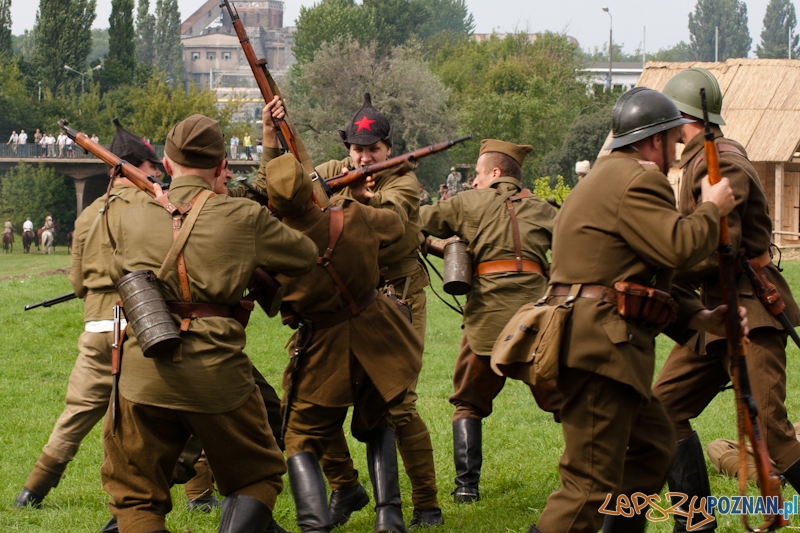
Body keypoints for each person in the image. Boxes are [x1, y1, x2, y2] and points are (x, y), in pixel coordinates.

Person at [527, 87, 737, 533]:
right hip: (599, 352)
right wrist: (712, 208)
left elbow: (635, 273)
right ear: (654, 140)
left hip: (594, 345)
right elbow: (678, 246)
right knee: (587, 486)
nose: (676, 158)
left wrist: (697, 318)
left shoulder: (602, 180)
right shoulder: (637, 179)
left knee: (654, 447)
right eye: (674, 145)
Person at [101, 114, 318, 533]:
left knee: (136, 496)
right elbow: (305, 255)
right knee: (256, 476)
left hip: (143, 368)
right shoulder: (243, 217)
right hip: (217, 373)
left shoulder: (129, 216)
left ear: (166, 164)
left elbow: (118, 271)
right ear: (222, 168)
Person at [12, 120, 222, 516]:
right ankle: (198, 493)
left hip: (95, 327)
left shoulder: (88, 213)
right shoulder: (154, 206)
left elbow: (76, 284)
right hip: (145, 325)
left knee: (75, 414)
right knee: (190, 406)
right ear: (139, 167)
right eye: (153, 168)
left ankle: (34, 489)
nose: (158, 174)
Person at [257, 94, 441, 528]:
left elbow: (390, 228)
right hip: (335, 304)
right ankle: (345, 486)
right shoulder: (332, 173)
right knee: (318, 399)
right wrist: (270, 137)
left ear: (388, 150)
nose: (363, 156)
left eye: (372, 150)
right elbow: (281, 189)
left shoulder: (402, 182)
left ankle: (427, 504)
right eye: (357, 150)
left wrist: (347, 199)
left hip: (395, 294)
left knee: (398, 404)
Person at [652, 68, 800, 532]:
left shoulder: (722, 162)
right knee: (664, 408)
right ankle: (695, 524)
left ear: (682, 116)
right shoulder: (699, 160)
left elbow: (723, 246)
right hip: (715, 314)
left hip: (748, 308)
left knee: (772, 433)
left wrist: (661, 267)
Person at [420, 139, 558, 504]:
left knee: (468, 402)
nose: (474, 182)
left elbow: (418, 221)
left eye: (478, 175)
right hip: (538, 324)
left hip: (486, 322)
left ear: (495, 173)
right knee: (567, 400)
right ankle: (592, 475)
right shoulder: (545, 210)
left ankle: (466, 488)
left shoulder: (468, 202)